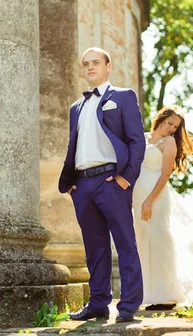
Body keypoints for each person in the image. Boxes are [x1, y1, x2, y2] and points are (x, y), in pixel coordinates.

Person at [58, 47, 146, 323]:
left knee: (125, 243)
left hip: (111, 181)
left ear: (108, 66)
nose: (90, 67)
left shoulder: (122, 97)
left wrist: (126, 178)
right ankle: (98, 304)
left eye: (96, 62)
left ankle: (129, 305)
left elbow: (136, 141)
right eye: (86, 64)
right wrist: (72, 184)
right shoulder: (76, 107)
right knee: (94, 247)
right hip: (82, 185)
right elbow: (75, 146)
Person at [132, 105, 193, 310]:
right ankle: (148, 294)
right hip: (137, 197)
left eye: (175, 127)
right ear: (161, 118)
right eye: (169, 123)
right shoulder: (142, 137)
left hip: (156, 197)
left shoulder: (168, 142)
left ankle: (166, 295)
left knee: (159, 240)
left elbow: (165, 174)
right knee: (142, 243)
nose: (171, 129)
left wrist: (149, 200)